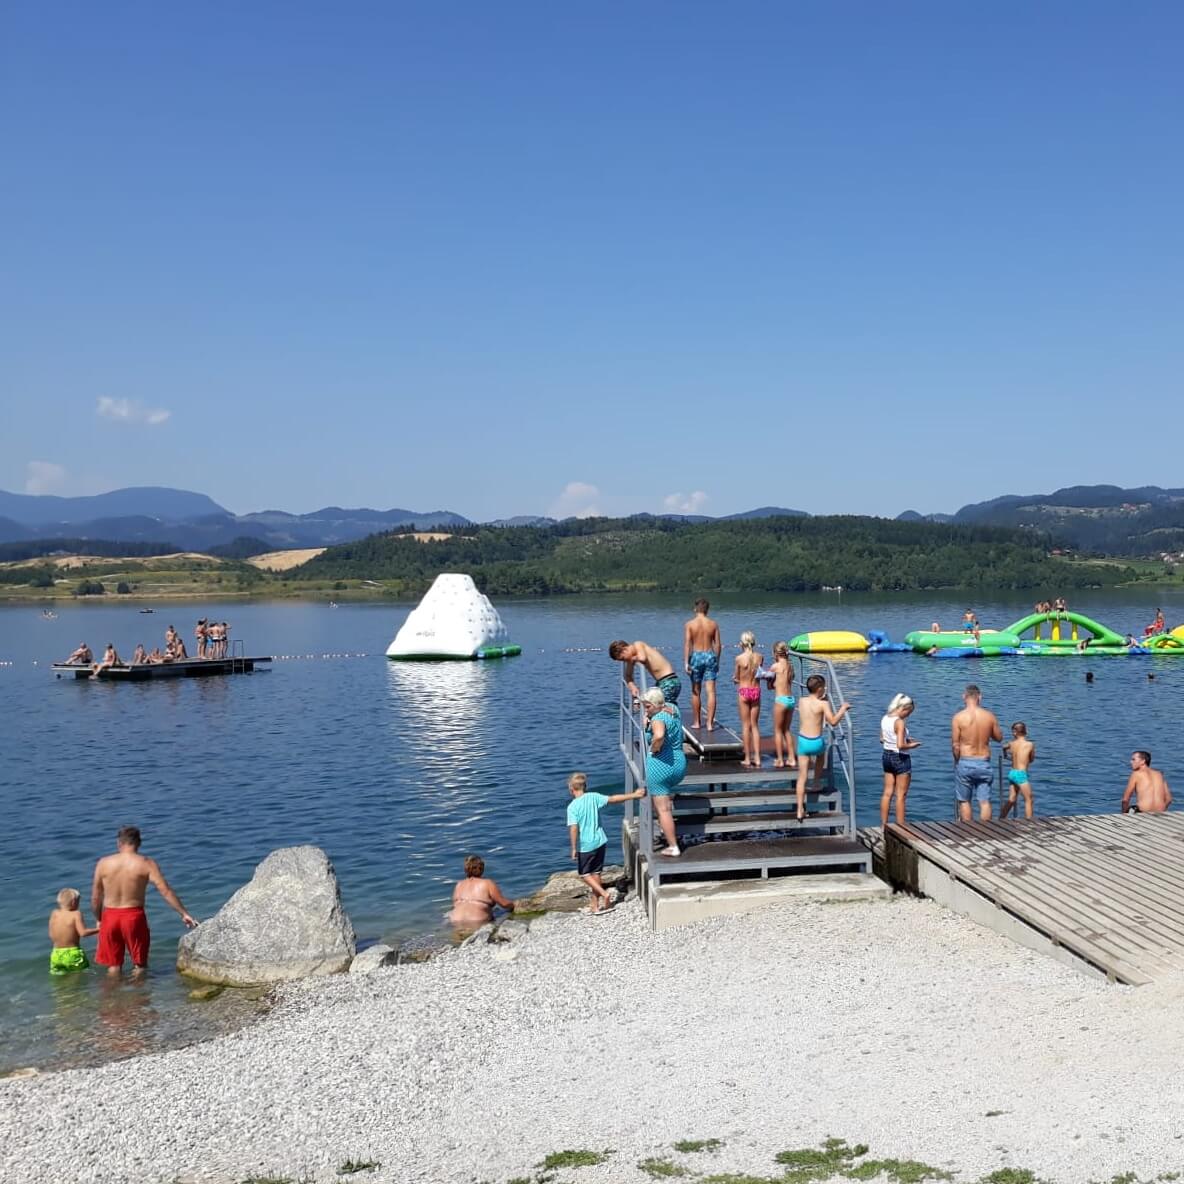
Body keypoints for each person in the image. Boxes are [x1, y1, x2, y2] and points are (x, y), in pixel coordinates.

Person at [91, 826, 197, 976]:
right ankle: (139, 997)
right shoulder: (146, 864)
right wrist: (184, 913)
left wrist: (99, 919)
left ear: (118, 843)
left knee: (113, 966)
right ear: (139, 843)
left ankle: (110, 999)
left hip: (110, 916)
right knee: (139, 964)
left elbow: (96, 897)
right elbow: (165, 891)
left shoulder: (103, 863)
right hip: (133, 917)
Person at [566, 772, 643, 915]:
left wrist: (573, 848)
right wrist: (635, 795)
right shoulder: (593, 797)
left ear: (571, 789)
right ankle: (594, 906)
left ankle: (604, 894)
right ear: (585, 786)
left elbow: (574, 828)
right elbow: (614, 799)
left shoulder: (572, 807)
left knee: (584, 874)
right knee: (596, 873)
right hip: (600, 841)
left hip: (587, 845)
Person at [794, 674, 851, 822]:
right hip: (816, 742)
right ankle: (816, 782)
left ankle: (800, 809)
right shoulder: (823, 704)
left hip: (803, 741)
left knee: (801, 777)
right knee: (821, 754)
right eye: (824, 687)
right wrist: (843, 709)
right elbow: (832, 722)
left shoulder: (801, 701)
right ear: (819, 689)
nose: (825, 689)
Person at [642, 687, 687, 857]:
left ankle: (673, 846)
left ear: (655, 704)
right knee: (664, 804)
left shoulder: (658, 719)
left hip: (661, 766)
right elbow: (666, 710)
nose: (646, 710)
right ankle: (665, 828)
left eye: (647, 706)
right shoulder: (673, 710)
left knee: (663, 809)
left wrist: (654, 748)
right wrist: (648, 716)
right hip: (679, 763)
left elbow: (659, 735)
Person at [951, 684, 1002, 822]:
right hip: (984, 761)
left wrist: (957, 761)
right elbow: (999, 738)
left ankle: (968, 831)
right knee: (984, 801)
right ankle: (985, 831)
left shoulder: (958, 717)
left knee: (965, 801)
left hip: (965, 761)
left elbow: (956, 745)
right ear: (980, 697)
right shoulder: (989, 716)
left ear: (964, 697)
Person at [879, 693, 920, 827]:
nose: (908, 716)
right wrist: (912, 745)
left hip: (886, 756)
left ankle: (883, 824)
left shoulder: (885, 718)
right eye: (909, 712)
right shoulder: (899, 722)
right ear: (904, 708)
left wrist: (904, 739)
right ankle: (901, 826)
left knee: (887, 793)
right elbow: (900, 745)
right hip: (900, 758)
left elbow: (882, 738)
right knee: (901, 795)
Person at [447, 854, 516, 929]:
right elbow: (504, 904)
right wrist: (515, 904)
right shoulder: (487, 883)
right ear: (481, 869)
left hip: (455, 922)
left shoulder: (459, 885)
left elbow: (455, 906)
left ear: (466, 869)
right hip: (477, 924)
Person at [683, 599, 722, 730]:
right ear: (707, 610)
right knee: (711, 691)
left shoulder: (689, 624)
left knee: (696, 692)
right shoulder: (713, 624)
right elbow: (717, 644)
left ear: (695, 609)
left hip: (696, 656)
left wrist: (686, 662)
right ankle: (710, 724)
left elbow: (688, 644)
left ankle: (697, 722)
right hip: (710, 655)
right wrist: (717, 661)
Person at [609, 639, 680, 705]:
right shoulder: (631, 658)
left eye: (623, 659)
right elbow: (628, 675)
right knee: (655, 705)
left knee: (658, 706)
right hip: (661, 682)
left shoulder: (638, 644)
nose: (625, 661)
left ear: (624, 650)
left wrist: (632, 660)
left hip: (670, 681)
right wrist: (632, 687)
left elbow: (642, 658)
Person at [48, 888, 100, 976]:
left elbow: (51, 934)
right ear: (73, 902)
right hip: (73, 954)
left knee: (59, 980)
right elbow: (83, 933)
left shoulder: (54, 913)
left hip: (56, 954)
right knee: (79, 977)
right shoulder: (76, 914)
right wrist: (99, 929)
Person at [733, 631, 764, 767]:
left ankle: (747, 757)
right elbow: (759, 673)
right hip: (756, 691)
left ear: (742, 643)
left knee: (746, 726)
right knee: (755, 726)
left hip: (744, 691)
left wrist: (735, 680)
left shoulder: (739, 659)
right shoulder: (760, 657)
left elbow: (737, 677)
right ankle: (757, 758)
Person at [767, 641, 796, 769]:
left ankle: (779, 759)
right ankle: (791, 758)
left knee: (778, 731)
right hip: (791, 700)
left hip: (780, 700)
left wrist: (768, 681)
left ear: (775, 653)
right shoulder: (790, 666)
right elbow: (787, 681)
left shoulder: (775, 666)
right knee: (787, 730)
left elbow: (770, 685)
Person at [1001, 722, 1036, 820]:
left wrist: (1005, 755)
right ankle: (1029, 823)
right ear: (1026, 731)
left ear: (1014, 732)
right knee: (1029, 799)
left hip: (1012, 773)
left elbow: (1004, 746)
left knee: (1012, 799)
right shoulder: (1029, 744)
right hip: (1021, 774)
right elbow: (1032, 759)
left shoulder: (1011, 744)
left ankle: (1001, 819)